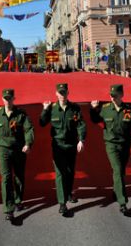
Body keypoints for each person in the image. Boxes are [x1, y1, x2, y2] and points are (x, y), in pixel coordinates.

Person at [90, 84, 131, 216]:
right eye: (111, 96)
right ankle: (123, 202)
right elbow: (95, 120)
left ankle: (116, 190)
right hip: (111, 144)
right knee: (118, 170)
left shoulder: (129, 111)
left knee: (121, 171)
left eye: (115, 96)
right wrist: (93, 109)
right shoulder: (106, 109)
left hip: (125, 144)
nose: (112, 98)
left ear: (121, 95)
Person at [0, 89, 34, 221]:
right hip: (3, 149)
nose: (7, 101)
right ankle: (8, 209)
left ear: (14, 99)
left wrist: (28, 143)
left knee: (18, 176)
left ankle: (18, 200)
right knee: (6, 178)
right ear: (2, 99)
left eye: (10, 98)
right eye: (5, 98)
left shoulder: (20, 114)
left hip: (18, 149)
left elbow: (29, 129)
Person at [40, 83, 86, 216]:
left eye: (64, 92)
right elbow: (42, 123)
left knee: (70, 172)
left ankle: (69, 193)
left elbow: (81, 125)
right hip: (58, 145)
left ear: (68, 93)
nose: (62, 95)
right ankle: (62, 203)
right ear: (56, 94)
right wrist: (44, 109)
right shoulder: (52, 108)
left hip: (71, 145)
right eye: (60, 93)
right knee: (60, 173)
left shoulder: (74, 108)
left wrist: (81, 140)